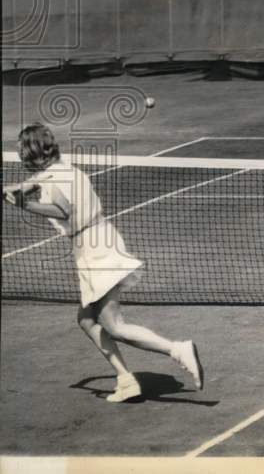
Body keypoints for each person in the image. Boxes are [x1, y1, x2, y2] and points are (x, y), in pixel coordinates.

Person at [3, 124, 204, 402]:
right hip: (96, 243)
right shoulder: (63, 169)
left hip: (95, 249)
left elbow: (62, 209)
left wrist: (22, 204)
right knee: (86, 319)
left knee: (115, 326)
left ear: (29, 151)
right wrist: (18, 187)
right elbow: (43, 181)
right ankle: (125, 380)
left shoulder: (53, 178)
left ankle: (177, 349)